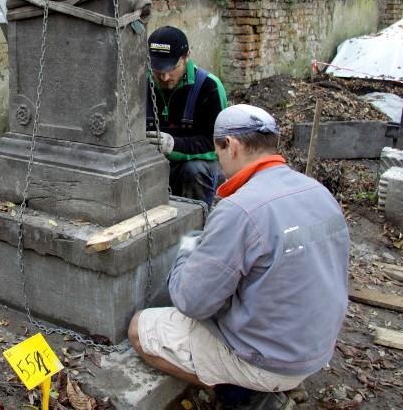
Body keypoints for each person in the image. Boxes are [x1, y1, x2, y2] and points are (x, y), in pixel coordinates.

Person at [129, 104, 351, 410]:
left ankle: (245, 395)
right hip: (317, 348)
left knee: (140, 329)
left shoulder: (240, 208)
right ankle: (266, 382)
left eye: (218, 152)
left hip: (271, 360)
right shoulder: (318, 192)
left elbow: (192, 302)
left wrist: (186, 252)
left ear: (231, 146)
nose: (219, 161)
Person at [145, 26, 228, 206]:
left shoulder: (209, 87)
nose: (165, 77)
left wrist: (176, 145)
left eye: (172, 68)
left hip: (198, 170)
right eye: (157, 69)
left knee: (194, 169)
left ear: (187, 56)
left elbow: (218, 145)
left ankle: (197, 226)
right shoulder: (139, 84)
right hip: (153, 163)